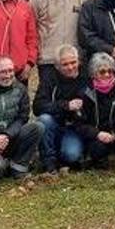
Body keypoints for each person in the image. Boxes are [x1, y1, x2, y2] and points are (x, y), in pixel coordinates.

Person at [69, 52, 115, 170]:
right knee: (97, 150)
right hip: (99, 134)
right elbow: (79, 124)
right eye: (102, 72)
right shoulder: (85, 93)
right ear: (93, 74)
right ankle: (99, 160)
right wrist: (97, 134)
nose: (107, 74)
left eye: (110, 71)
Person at [30, 0, 91, 93]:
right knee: (51, 97)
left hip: (76, 59)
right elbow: (31, 29)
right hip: (48, 60)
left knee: (79, 98)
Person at [33, 45, 88, 173]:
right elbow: (38, 106)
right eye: (65, 64)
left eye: (73, 62)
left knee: (71, 155)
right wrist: (66, 105)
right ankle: (48, 162)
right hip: (55, 123)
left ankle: (69, 156)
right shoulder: (49, 79)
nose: (70, 67)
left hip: (76, 127)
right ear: (57, 67)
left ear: (78, 61)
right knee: (44, 119)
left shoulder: (86, 77)